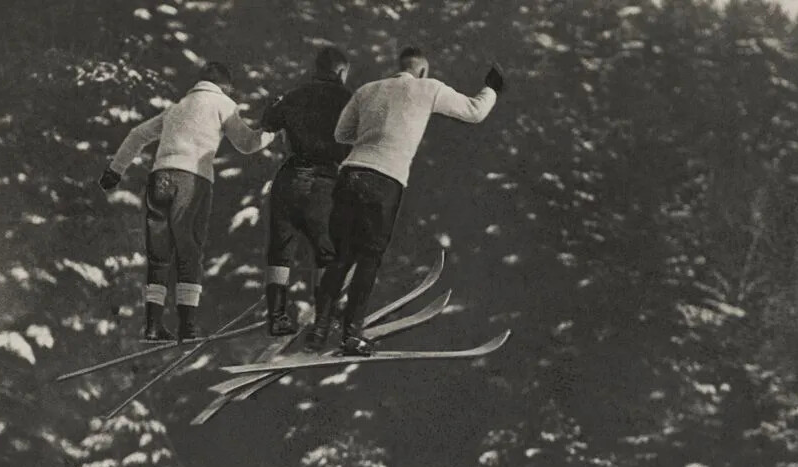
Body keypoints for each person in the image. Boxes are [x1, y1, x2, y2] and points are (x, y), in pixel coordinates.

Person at [305, 47, 504, 355]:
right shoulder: (429, 87)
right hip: (385, 179)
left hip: (350, 174)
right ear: (422, 70)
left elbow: (341, 134)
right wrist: (492, 88)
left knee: (341, 255)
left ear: (397, 66)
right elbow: (474, 112)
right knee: (369, 258)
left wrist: (372, 132)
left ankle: (319, 329)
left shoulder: (367, 89)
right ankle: (351, 334)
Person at [99, 62, 275, 343]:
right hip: (193, 180)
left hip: (160, 177)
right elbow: (247, 144)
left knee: (159, 254)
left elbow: (137, 134)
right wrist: (271, 129)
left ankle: (153, 325)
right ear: (225, 85)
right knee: (189, 249)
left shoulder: (177, 107)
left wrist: (115, 170)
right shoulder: (223, 104)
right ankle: (187, 325)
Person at [259, 46, 353, 336]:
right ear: (340, 71)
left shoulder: (295, 94)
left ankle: (276, 317)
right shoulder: (348, 99)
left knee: (280, 251)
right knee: (327, 251)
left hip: (288, 179)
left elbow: (268, 122)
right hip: (323, 181)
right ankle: (326, 318)